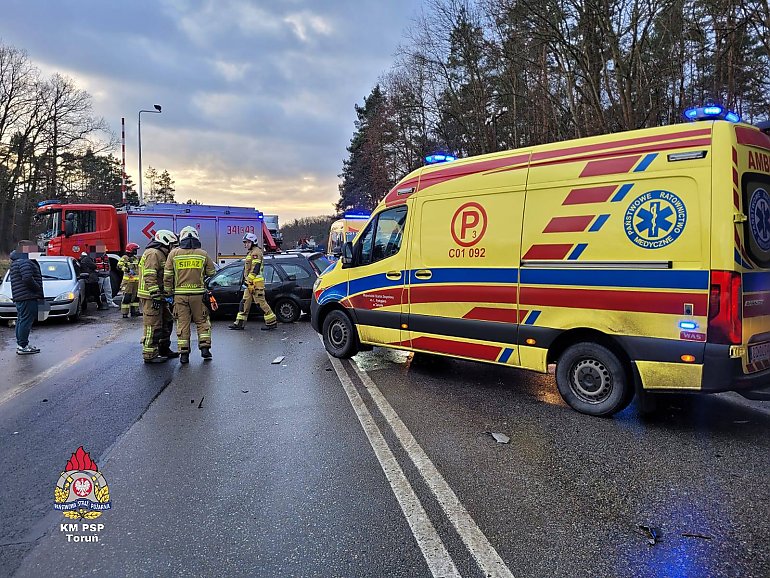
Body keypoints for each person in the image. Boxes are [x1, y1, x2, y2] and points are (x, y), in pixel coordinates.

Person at [164, 226, 216, 364]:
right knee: (202, 322)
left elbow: (167, 276)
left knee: (182, 324)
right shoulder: (203, 254)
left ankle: (184, 354)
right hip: (198, 296)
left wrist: (168, 294)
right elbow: (212, 273)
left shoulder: (173, 254)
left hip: (179, 296)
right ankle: (205, 349)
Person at [137, 230, 179, 363]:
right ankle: (150, 354)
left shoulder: (162, 254)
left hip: (159, 296)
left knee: (167, 322)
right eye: (172, 244)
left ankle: (163, 349)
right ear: (165, 242)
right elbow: (150, 276)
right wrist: (155, 295)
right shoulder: (153, 253)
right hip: (151, 296)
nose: (174, 247)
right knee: (153, 325)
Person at [229, 232, 277, 331]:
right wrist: (247, 281)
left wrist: (249, 280)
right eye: (245, 242)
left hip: (256, 284)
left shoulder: (256, 252)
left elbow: (255, 268)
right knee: (244, 303)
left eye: (247, 242)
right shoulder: (251, 252)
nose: (245, 244)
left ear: (253, 242)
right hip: (250, 284)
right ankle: (239, 323)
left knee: (261, 303)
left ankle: (271, 322)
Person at [9, 240, 44, 355]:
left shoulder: (17, 261)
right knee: (25, 321)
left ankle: (21, 344)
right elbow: (27, 278)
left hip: (21, 296)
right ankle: (23, 346)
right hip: (27, 296)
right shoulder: (25, 261)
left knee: (21, 320)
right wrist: (37, 287)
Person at [118, 242, 141, 318]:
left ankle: (135, 311)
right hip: (128, 282)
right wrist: (127, 270)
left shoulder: (136, 258)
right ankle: (125, 313)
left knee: (136, 298)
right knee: (127, 297)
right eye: (135, 250)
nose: (136, 251)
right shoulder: (124, 258)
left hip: (136, 282)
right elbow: (119, 266)